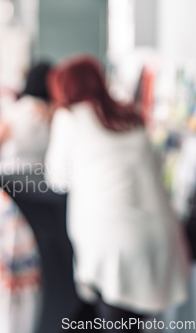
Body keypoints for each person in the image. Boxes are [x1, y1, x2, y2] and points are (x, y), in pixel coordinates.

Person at [44, 56, 190, 331]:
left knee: (115, 321)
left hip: (111, 245)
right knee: (136, 323)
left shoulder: (69, 117)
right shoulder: (130, 116)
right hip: (158, 239)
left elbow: (57, 179)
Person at [0, 63, 53, 333]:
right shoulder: (52, 116)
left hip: (8, 198)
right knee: (30, 271)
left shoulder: (13, 114)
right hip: (40, 200)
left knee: (4, 267)